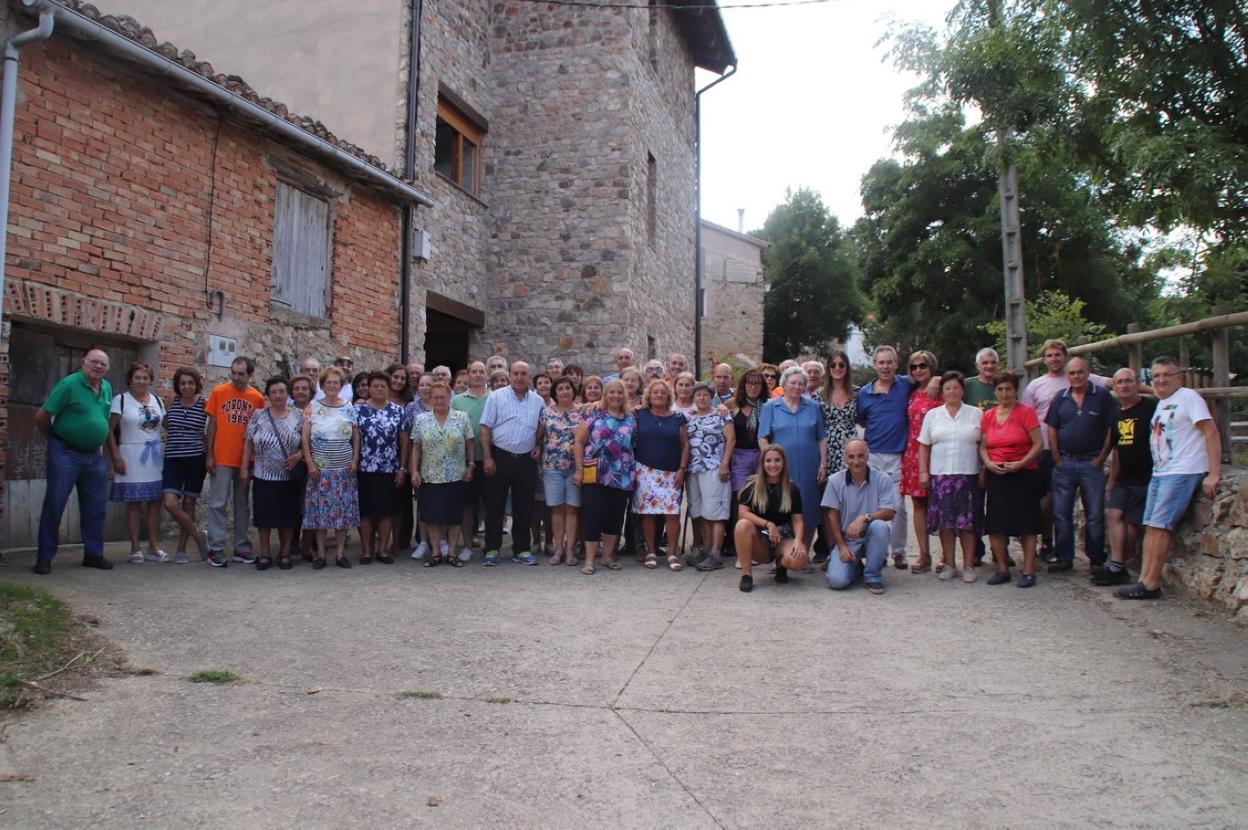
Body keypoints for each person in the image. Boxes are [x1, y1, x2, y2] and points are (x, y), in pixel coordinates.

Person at [1117, 356, 1221, 600]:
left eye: (1168, 375)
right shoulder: (1164, 400)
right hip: (1161, 471)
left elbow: (1211, 432)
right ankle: (1144, 579)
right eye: (1157, 375)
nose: (1162, 380)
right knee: (1151, 525)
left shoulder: (1189, 398)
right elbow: (1152, 389)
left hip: (1182, 470)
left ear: (1179, 377)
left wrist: (1213, 473)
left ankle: (1151, 583)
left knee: (1161, 526)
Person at [1021, 339, 1112, 559]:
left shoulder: (1089, 385)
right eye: (1049, 355)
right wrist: (1044, 453)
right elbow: (1030, 418)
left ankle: (1093, 557)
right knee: (1051, 505)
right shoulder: (1040, 387)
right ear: (1044, 359)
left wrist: (1152, 390)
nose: (1054, 359)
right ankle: (1052, 546)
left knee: (1090, 511)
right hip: (1049, 452)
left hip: (1084, 457)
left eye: (1057, 355)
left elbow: (1114, 384)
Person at [32, 349, 115, 575]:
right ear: (83, 363)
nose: (98, 367)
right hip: (66, 453)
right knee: (55, 504)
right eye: (94, 362)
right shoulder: (69, 385)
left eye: (103, 364)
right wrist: (56, 439)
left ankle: (93, 554)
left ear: (107, 368)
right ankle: (45, 558)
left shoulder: (106, 387)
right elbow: (42, 415)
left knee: (96, 507)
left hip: (93, 456)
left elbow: (104, 420)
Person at [1046, 357, 1116, 572]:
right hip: (1065, 462)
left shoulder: (1102, 396)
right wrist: (1057, 458)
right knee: (1061, 513)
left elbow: (1111, 428)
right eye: (1072, 373)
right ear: (1067, 375)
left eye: (1080, 372)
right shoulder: (1060, 397)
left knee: (1094, 513)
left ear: (1088, 372)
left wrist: (1101, 457)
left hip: (1091, 462)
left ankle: (1096, 559)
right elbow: (1052, 428)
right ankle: (1064, 557)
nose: (1076, 377)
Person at [1094, 368, 1158, 586]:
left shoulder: (1150, 407)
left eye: (1128, 381)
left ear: (1136, 383)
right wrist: (1112, 479)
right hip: (1124, 475)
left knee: (1132, 524)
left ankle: (1123, 563)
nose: (1123, 386)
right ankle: (1117, 566)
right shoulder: (1116, 413)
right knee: (1113, 513)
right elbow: (1116, 448)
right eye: (1119, 382)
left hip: (1148, 474)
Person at [918, 371, 983, 582]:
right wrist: (924, 472)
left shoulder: (976, 414)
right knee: (946, 523)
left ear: (963, 390)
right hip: (941, 476)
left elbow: (984, 444)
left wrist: (984, 470)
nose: (952, 391)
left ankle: (969, 565)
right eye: (948, 388)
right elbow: (924, 446)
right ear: (942, 392)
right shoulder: (933, 415)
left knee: (967, 523)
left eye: (956, 387)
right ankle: (949, 564)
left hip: (968, 475)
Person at [980, 372, 1043, 588]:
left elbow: (1037, 443)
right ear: (995, 392)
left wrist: (1021, 463)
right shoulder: (988, 416)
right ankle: (1002, 568)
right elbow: (983, 446)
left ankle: (1028, 570)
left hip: (1023, 473)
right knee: (996, 523)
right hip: (997, 474)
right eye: (1000, 389)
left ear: (1016, 390)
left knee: (1027, 523)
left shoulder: (1026, 413)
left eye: (1008, 389)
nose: (1004, 393)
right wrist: (988, 464)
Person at [479, 361, 545, 566]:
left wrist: (538, 444)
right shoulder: (496, 397)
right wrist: (488, 457)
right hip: (500, 457)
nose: (519, 377)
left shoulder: (538, 400)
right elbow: (485, 428)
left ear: (529, 375)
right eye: (515, 373)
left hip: (526, 460)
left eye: (523, 373)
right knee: (494, 505)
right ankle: (491, 549)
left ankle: (522, 549)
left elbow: (542, 427)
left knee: (523, 506)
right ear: (509, 375)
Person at [204, 356, 265, 568]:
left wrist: (253, 459)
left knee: (242, 505)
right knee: (218, 503)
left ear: (250, 375)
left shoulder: (257, 398)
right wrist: (209, 454)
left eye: (241, 374)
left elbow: (258, 431)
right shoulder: (219, 392)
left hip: (244, 460)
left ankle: (242, 547)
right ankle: (216, 549)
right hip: (221, 457)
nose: (236, 377)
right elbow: (212, 425)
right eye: (234, 373)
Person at [856, 345, 912, 570]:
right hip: (873, 455)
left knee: (898, 506)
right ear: (875, 365)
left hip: (897, 455)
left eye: (889, 362)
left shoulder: (905, 385)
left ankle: (898, 552)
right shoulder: (865, 393)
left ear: (896, 364)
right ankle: (875, 552)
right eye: (881, 362)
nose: (885, 366)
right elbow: (861, 420)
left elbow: (927, 378)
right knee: (871, 506)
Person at [759, 366, 828, 549]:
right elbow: (763, 437)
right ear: (784, 385)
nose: (797, 387)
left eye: (801, 384)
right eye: (793, 383)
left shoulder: (813, 407)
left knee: (809, 508)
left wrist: (823, 464)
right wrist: (769, 461)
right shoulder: (770, 407)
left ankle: (802, 551)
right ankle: (778, 553)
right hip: (781, 467)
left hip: (808, 465)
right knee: (780, 508)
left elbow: (821, 437)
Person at [573, 379, 637, 574]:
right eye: (611, 392)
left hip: (622, 475)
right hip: (595, 473)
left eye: (619, 392)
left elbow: (633, 444)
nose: (615, 396)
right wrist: (579, 469)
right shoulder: (594, 414)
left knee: (615, 517)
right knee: (593, 515)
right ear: (605, 395)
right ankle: (590, 560)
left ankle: (608, 557)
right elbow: (579, 442)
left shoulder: (631, 418)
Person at [240, 376, 303, 570]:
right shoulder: (258, 415)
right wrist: (244, 468)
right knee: (264, 517)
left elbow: (309, 443)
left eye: (282, 391)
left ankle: (284, 553)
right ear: (268, 395)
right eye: (274, 392)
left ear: (288, 394)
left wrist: (299, 455)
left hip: (288, 475)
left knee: (287, 517)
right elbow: (248, 442)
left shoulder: (299, 415)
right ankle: (265, 553)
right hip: (263, 475)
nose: (278, 395)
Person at [108, 363, 168, 563]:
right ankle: (135, 547)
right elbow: (110, 431)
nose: (141, 381)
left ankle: (153, 545)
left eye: (145, 378)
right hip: (131, 455)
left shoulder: (157, 401)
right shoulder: (121, 400)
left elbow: (166, 426)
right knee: (134, 503)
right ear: (130, 380)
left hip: (154, 456)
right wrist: (115, 456)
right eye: (138, 378)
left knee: (154, 503)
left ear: (150, 381)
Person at [301, 366, 361, 569]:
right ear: (322, 385)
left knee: (342, 514)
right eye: (328, 382)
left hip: (343, 469)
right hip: (320, 470)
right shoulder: (313, 406)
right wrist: (309, 463)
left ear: (341, 385)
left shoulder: (348, 406)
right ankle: (320, 555)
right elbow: (305, 437)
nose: (332, 386)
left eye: (336, 382)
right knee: (320, 513)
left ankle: (340, 554)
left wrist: (354, 460)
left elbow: (355, 436)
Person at [410, 381, 475, 567]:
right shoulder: (421, 420)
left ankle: (452, 553)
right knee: (432, 516)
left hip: (456, 475)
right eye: (436, 396)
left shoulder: (462, 418)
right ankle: (436, 553)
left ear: (450, 398)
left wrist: (471, 465)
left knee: (454, 516)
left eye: (443, 396)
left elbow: (470, 443)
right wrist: (414, 471)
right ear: (430, 398)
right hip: (430, 475)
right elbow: (416, 447)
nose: (439, 400)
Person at [822, 440, 896, 594]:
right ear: (845, 459)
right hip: (847, 539)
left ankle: (873, 575)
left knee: (880, 526)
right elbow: (832, 516)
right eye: (851, 457)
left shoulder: (882, 478)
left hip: (871, 533)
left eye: (861, 456)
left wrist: (865, 517)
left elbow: (889, 511)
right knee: (837, 581)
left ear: (868, 455)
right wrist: (841, 547)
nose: (856, 461)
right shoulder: (835, 481)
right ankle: (855, 566)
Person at [734, 445, 809, 592]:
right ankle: (747, 575)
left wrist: (799, 541)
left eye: (777, 460)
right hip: (759, 537)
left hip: (783, 538)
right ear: (762, 463)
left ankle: (781, 565)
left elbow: (798, 519)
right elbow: (742, 513)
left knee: (799, 561)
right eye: (768, 461)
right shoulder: (752, 485)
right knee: (742, 525)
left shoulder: (792, 488)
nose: (773, 465)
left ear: (784, 463)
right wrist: (768, 524)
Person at [633, 379, 690, 571]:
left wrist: (682, 469)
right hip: (644, 471)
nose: (659, 395)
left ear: (668, 396)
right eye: (655, 392)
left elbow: (685, 445)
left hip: (671, 472)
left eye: (663, 392)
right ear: (649, 395)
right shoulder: (639, 414)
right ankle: (650, 551)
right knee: (648, 514)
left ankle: (672, 553)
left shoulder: (678, 418)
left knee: (672, 514)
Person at [161, 367, 210, 563]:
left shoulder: (204, 404)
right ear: (177, 385)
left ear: (197, 384)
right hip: (173, 458)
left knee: (189, 503)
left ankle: (181, 549)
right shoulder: (171, 402)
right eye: (183, 383)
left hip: (195, 458)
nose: (187, 386)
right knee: (169, 503)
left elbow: (210, 429)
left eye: (190, 383)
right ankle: (199, 537)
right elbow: (165, 423)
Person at [538, 377, 588, 565]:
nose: (564, 391)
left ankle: (570, 550)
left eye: (568, 388)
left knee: (573, 509)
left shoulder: (583, 412)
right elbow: (539, 435)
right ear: (555, 392)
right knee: (557, 509)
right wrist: (536, 447)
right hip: (552, 467)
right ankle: (558, 549)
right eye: (560, 389)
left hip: (575, 467)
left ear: (573, 391)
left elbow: (586, 438)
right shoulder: (547, 412)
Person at [356, 372, 405, 565]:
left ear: (388, 388)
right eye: (375, 386)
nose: (379, 389)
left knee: (387, 511)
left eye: (383, 386)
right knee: (366, 511)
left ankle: (383, 549)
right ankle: (367, 550)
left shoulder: (397, 411)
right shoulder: (358, 410)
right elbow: (355, 439)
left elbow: (403, 441)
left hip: (389, 468)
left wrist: (402, 467)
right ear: (369, 388)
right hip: (365, 468)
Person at [686, 382, 735, 571]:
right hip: (694, 470)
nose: (701, 398)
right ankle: (706, 549)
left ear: (710, 397)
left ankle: (716, 552)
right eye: (697, 395)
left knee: (716, 512)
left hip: (714, 468)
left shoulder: (721, 415)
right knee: (703, 512)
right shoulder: (690, 418)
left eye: (705, 395)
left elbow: (731, 440)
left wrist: (724, 464)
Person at [899, 351, 940, 573]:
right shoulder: (911, 392)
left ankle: (946, 554)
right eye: (913, 367)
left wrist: (940, 379)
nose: (918, 370)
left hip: (938, 453)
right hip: (914, 454)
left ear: (931, 366)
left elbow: (958, 379)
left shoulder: (940, 390)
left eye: (923, 365)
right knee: (918, 506)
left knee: (941, 504)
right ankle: (925, 555)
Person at [453, 361, 490, 562]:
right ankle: (466, 545)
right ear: (468, 375)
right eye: (474, 372)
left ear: (486, 375)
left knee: (491, 504)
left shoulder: (495, 398)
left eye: (481, 372)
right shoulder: (457, 400)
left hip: (489, 459)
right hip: (465, 461)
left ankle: (490, 546)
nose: (477, 375)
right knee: (467, 506)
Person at [287, 375, 315, 559]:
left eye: (304, 388)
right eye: (297, 388)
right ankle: (291, 543)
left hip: (312, 464)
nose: (300, 391)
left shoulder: (317, 411)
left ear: (310, 391)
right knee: (292, 505)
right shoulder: (287, 412)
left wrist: (301, 455)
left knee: (309, 505)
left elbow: (319, 436)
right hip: (291, 466)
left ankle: (309, 546)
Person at [819, 350, 857, 479]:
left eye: (841, 365)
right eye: (833, 365)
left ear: (847, 368)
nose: (837, 368)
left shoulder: (857, 393)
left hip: (851, 446)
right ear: (828, 368)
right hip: (828, 448)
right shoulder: (819, 396)